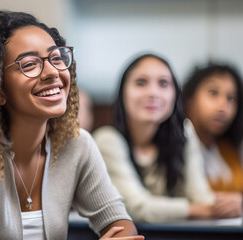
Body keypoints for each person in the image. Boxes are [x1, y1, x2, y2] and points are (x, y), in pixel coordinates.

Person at [0, 10, 143, 240]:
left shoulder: (77, 145)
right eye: (30, 64)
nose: (53, 72)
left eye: (56, 58)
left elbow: (121, 226)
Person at [92, 53, 241, 223]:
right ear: (122, 92)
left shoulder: (185, 133)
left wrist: (230, 205)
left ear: (175, 94)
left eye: (163, 83)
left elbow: (200, 195)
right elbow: (136, 207)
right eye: (141, 83)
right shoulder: (107, 140)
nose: (153, 93)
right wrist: (202, 210)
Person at [183, 64, 243, 214]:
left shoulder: (229, 149)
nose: (223, 106)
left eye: (231, 98)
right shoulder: (177, 145)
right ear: (189, 100)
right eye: (213, 93)